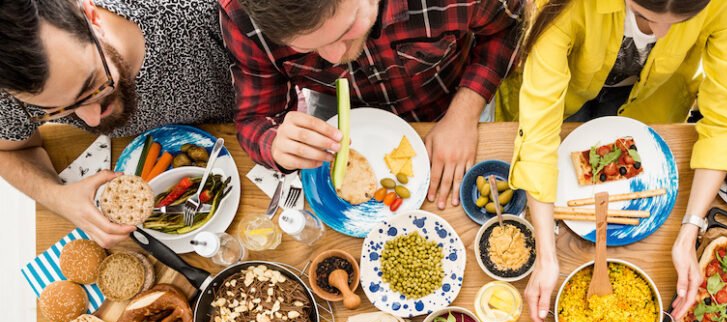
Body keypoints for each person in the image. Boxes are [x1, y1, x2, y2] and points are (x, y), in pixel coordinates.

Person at [499, 0, 727, 322]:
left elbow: (725, 119)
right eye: (644, 18)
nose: (663, 34)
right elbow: (539, 131)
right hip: (565, 95)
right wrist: (547, 255)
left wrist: (691, 228)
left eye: (684, 20)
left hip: (654, 99)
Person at [218, 0, 524, 210]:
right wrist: (274, 144)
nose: (334, 58)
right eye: (305, 48)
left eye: (346, 29)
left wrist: (465, 110)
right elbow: (255, 117)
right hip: (337, 116)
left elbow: (510, 26)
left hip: (457, 96)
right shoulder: (243, 16)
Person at [0, 0, 236, 247]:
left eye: (92, 87)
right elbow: (9, 150)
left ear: (92, 18)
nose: (91, 119)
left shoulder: (194, 11)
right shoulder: (11, 86)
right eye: (56, 110)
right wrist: (58, 197)